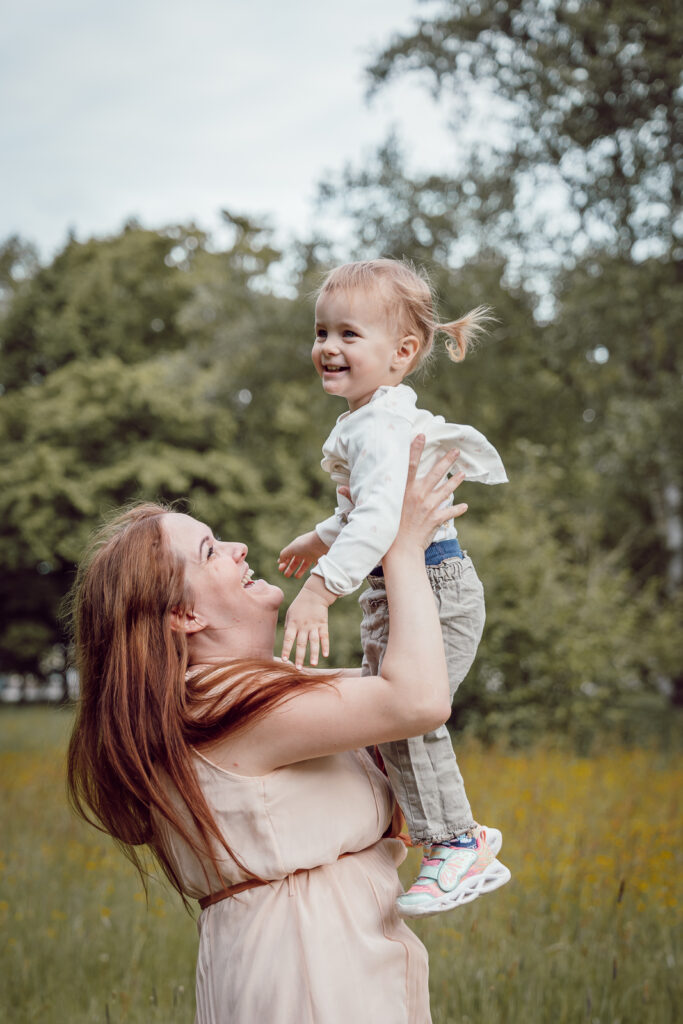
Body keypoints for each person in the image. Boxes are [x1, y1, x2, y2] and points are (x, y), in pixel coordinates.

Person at [67, 438, 485, 1024]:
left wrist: (386, 528)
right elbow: (416, 699)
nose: (239, 549)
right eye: (211, 550)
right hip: (309, 973)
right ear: (186, 616)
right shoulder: (222, 702)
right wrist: (402, 546)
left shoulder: (245, 690)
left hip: (325, 960)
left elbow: (416, 680)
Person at [278, 259, 511, 918]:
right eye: (322, 332)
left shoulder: (378, 423)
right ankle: (452, 835)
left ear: (401, 353)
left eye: (349, 334)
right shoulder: (369, 418)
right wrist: (321, 535)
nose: (327, 347)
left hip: (429, 585)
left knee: (405, 716)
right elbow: (367, 507)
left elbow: (381, 518)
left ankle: (457, 842)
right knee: (385, 719)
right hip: (405, 584)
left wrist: (321, 588)